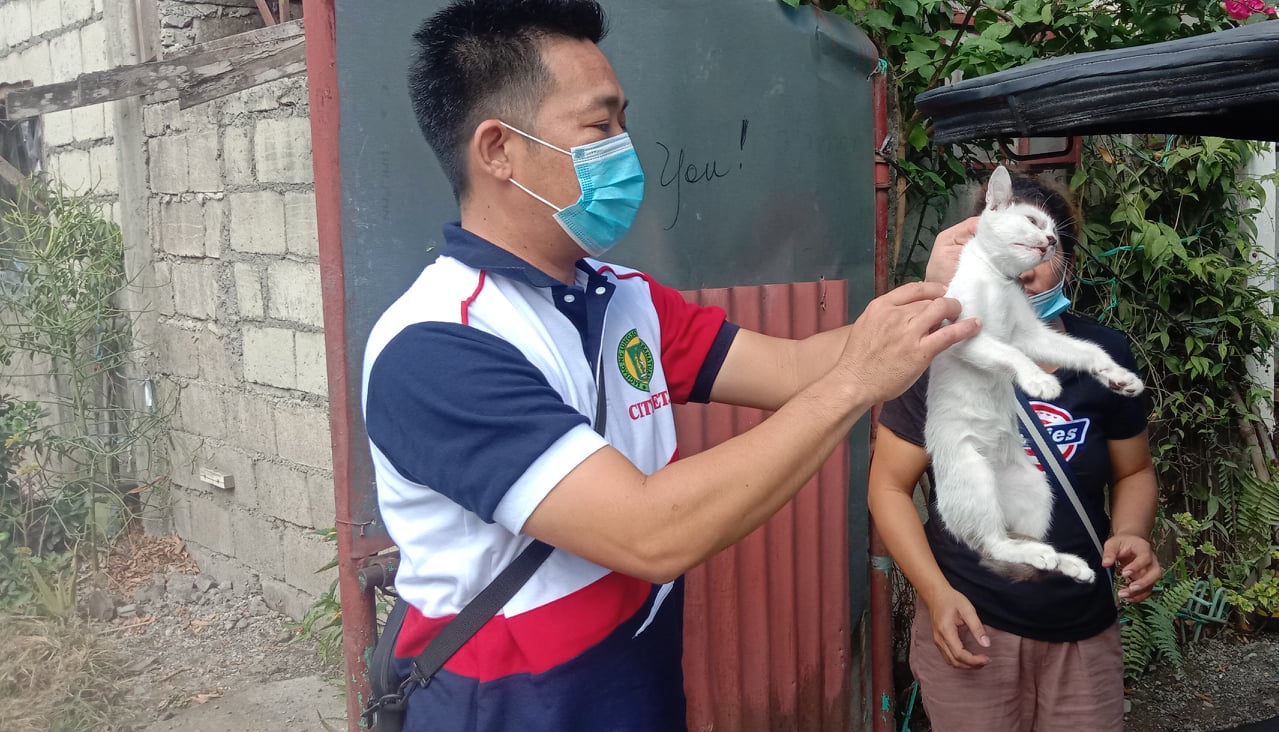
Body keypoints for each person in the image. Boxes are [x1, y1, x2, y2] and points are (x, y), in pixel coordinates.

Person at [361, 1, 979, 730]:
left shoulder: (625, 300)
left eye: (623, 121)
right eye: (599, 127)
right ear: (498, 150)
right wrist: (855, 385)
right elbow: (650, 533)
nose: (626, 148)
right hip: (509, 708)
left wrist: (948, 294)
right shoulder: (436, 346)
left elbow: (791, 368)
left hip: (636, 684)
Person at [868, 174, 1162, 732]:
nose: (1023, 267)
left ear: (1065, 260)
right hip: (973, 623)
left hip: (1084, 629)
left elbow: (1135, 471)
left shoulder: (1102, 354)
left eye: (1042, 249)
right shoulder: (936, 351)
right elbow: (887, 487)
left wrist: (1132, 532)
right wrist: (936, 595)